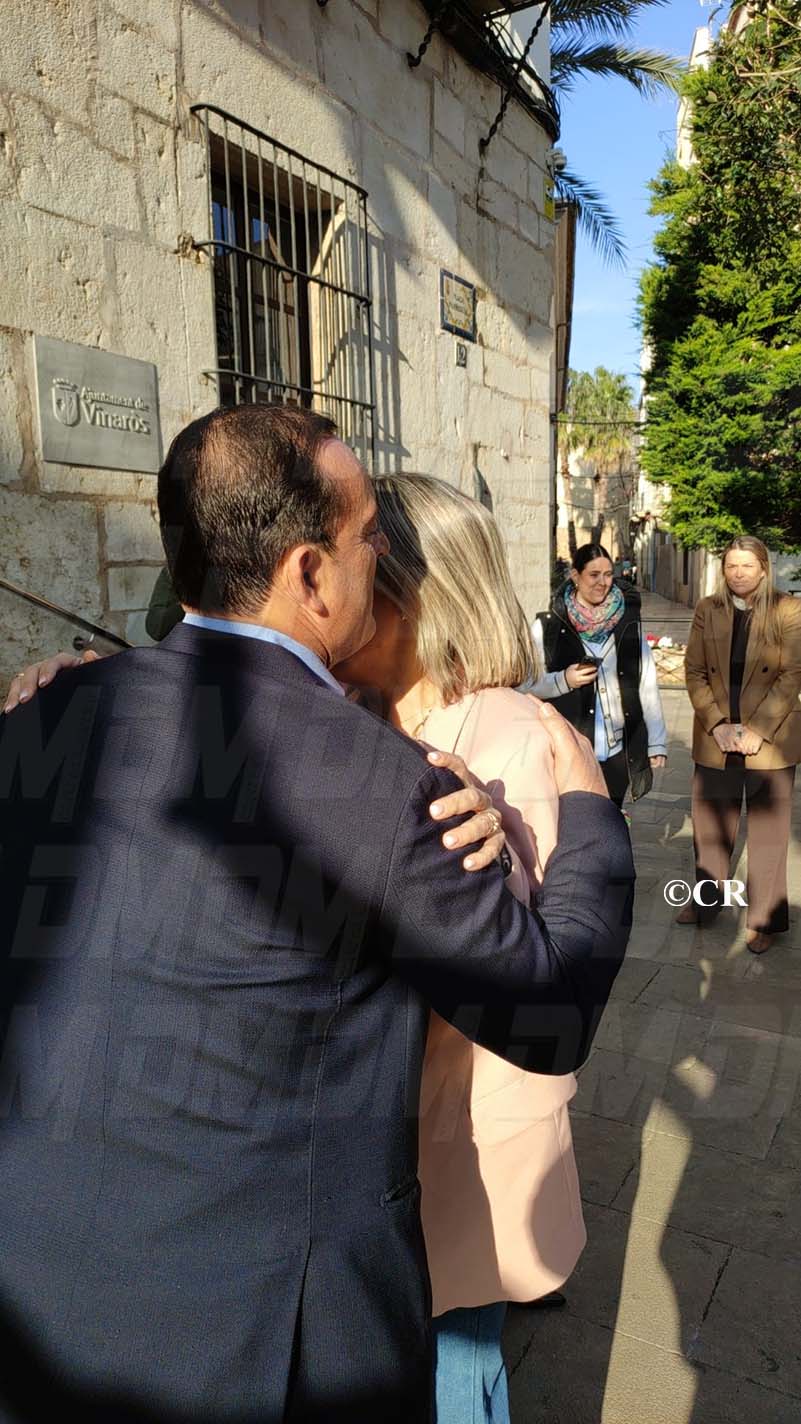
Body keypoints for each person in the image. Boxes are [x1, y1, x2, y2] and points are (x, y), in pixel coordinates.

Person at [0, 406, 634, 1423]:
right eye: (369, 536)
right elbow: (549, 1012)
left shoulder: (46, 715)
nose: (381, 559)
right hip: (267, 1338)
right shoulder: (388, 786)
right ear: (309, 574)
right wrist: (589, 808)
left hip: (43, 1299)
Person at [681, 535, 801, 954]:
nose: (738, 573)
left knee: (768, 834)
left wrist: (756, 730)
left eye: (747, 565)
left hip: (770, 738)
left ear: (764, 568)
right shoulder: (707, 609)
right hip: (716, 735)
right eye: (731, 565)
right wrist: (716, 724)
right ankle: (706, 903)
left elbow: (792, 674)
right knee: (710, 827)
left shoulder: (788, 609)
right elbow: (694, 670)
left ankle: (765, 919)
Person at [531, 542, 668, 808]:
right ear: (575, 575)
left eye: (607, 575)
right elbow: (526, 684)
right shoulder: (547, 626)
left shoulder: (628, 622)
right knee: (573, 819)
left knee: (612, 817)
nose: (602, 583)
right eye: (594, 575)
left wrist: (656, 741)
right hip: (569, 749)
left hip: (617, 752)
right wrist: (563, 681)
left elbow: (646, 683)